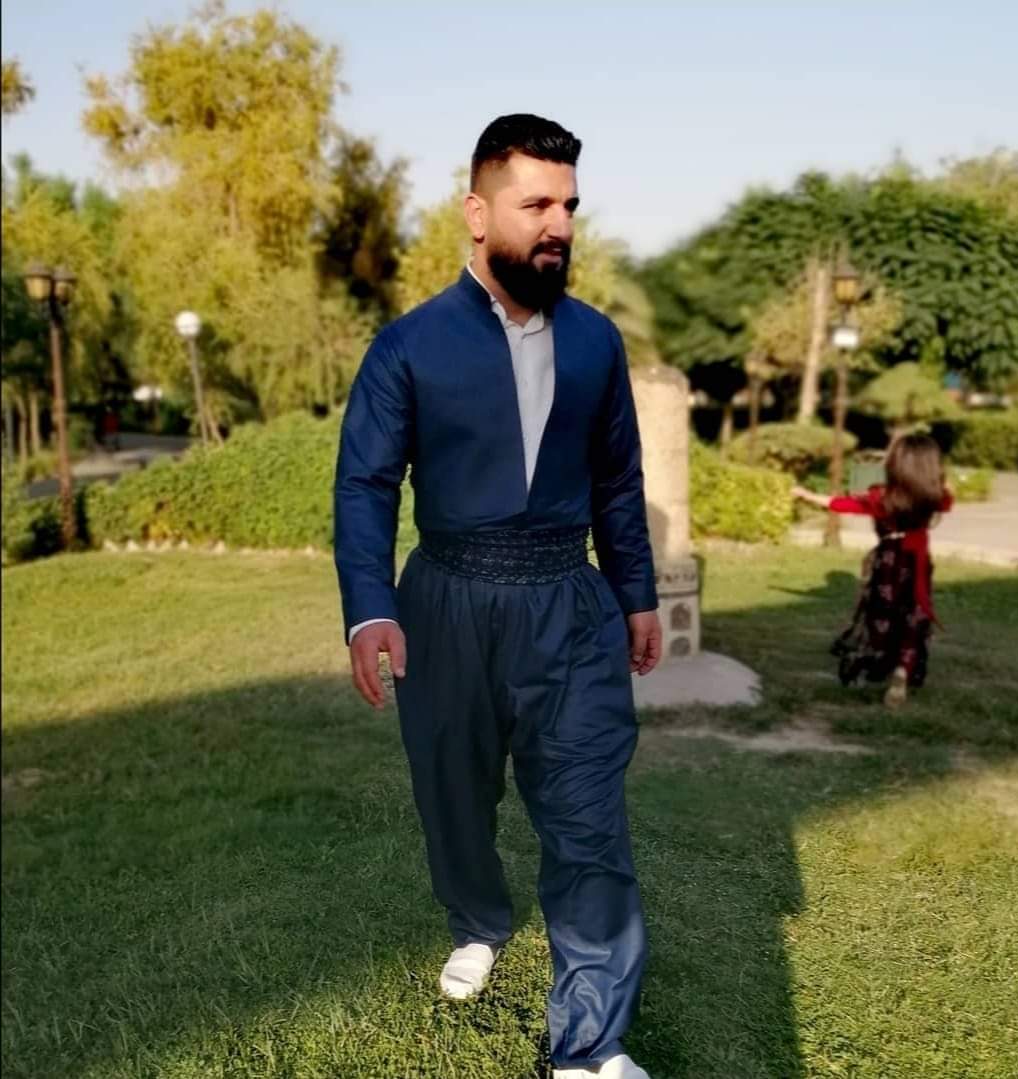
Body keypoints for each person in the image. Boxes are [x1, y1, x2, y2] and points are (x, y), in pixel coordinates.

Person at [334, 114, 662, 1079]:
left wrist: (636, 592)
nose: (558, 224)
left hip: (568, 601)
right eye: (536, 205)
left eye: (569, 206)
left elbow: (618, 480)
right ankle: (477, 919)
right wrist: (369, 605)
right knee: (453, 795)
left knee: (588, 818)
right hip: (446, 602)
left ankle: (588, 1044)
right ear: (477, 215)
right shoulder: (408, 345)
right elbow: (364, 484)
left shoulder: (596, 342)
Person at [792, 433, 953, 708]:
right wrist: (938, 477)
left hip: (889, 561)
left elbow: (843, 504)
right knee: (914, 615)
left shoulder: (882, 497)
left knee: (882, 614)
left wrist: (806, 495)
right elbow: (948, 499)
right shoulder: (934, 497)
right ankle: (903, 669)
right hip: (918, 562)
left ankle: (880, 661)